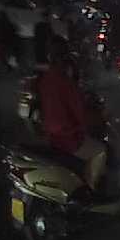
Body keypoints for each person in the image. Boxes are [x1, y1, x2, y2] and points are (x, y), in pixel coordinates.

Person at [37, 37, 107, 189]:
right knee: (100, 150)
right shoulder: (66, 83)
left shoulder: (46, 79)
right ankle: (91, 189)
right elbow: (80, 114)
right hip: (68, 138)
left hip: (51, 135)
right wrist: (98, 118)